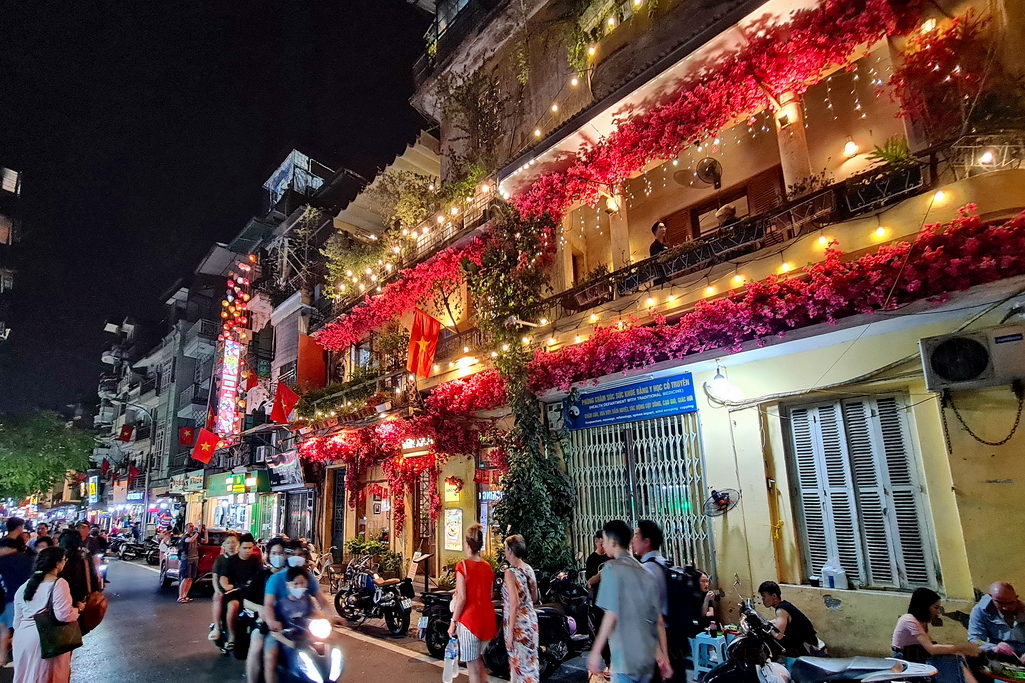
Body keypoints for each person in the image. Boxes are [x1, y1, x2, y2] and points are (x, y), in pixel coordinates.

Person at [588, 520, 671, 683]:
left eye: (604, 540)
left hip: (624, 660)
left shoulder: (611, 569)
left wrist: (596, 651)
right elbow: (657, 621)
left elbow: (611, 615)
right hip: (646, 660)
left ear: (612, 542)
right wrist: (664, 658)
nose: (603, 545)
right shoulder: (646, 572)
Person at [12, 547, 82, 683]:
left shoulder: (24, 587)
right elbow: (63, 615)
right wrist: (77, 610)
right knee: (46, 677)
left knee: (25, 677)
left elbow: (17, 621)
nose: (65, 563)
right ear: (57, 564)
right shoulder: (59, 584)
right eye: (64, 560)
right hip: (45, 641)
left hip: (22, 639)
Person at [893, 588, 980, 683]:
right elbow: (931, 649)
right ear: (924, 607)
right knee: (950, 660)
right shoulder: (909, 620)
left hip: (917, 654)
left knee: (957, 657)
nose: (938, 612)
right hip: (905, 658)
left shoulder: (922, 623)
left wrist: (959, 650)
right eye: (936, 607)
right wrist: (963, 647)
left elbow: (931, 646)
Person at [448, 524, 497, 683]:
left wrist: (453, 622)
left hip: (470, 622)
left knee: (473, 670)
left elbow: (461, 598)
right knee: (479, 663)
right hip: (488, 621)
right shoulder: (488, 567)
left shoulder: (462, 566)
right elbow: (489, 594)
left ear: (467, 544)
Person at [263, 566, 326, 683]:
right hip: (288, 642)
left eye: (302, 583)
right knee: (272, 658)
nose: (299, 587)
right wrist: (290, 643)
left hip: (306, 640)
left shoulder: (309, 601)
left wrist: (325, 619)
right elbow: (276, 632)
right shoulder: (281, 605)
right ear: (288, 585)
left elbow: (317, 614)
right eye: (295, 584)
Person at [246, 538, 288, 683]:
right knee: (257, 647)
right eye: (274, 553)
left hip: (291, 623)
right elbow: (246, 601)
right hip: (265, 624)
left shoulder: (294, 576)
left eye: (281, 553)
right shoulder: (262, 576)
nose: (278, 556)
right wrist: (260, 609)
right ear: (268, 555)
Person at [502, 535, 539, 683]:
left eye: (506, 548)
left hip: (517, 625)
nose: (505, 551)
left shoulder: (510, 573)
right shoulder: (528, 568)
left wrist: (510, 633)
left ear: (510, 550)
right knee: (530, 665)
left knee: (518, 667)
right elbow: (534, 596)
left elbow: (514, 603)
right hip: (530, 621)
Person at [758, 581, 819, 657]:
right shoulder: (785, 605)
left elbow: (779, 635)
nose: (762, 599)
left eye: (764, 596)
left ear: (774, 596)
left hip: (806, 646)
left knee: (771, 644)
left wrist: (769, 629)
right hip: (808, 641)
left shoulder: (781, 610)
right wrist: (768, 623)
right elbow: (779, 621)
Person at [222, 533, 262, 650]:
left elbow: (260, 576)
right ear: (238, 547)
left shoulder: (256, 560)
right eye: (245, 548)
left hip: (251, 593)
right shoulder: (230, 561)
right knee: (233, 605)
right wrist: (227, 586)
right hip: (235, 593)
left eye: (250, 548)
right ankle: (232, 637)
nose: (248, 551)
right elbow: (223, 578)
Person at [0, 537, 35, 667]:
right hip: (26, 599)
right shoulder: (30, 559)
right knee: (12, 629)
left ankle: (7, 657)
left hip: (10, 599)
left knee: (7, 629)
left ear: (8, 548)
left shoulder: (4, 560)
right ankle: (6, 656)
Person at [969, 582, 1025, 658]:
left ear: (1016, 598)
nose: (1006, 608)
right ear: (991, 597)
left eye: (1010, 603)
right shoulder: (980, 611)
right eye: (1000, 603)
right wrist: (993, 648)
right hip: (997, 656)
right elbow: (975, 640)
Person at [208, 532, 239, 643]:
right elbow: (215, 576)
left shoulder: (241, 558)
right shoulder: (220, 559)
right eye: (228, 543)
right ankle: (217, 628)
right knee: (218, 598)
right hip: (224, 589)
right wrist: (217, 590)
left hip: (237, 589)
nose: (231, 545)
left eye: (233, 542)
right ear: (224, 545)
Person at [56, 530, 100, 606]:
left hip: (59, 602)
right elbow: (94, 583)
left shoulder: (55, 561)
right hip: (81, 603)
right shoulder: (85, 561)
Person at [177, 523, 200, 603]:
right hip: (187, 559)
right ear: (186, 528)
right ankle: (180, 596)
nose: (192, 528)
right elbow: (190, 540)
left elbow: (205, 541)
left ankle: (185, 595)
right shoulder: (185, 537)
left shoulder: (195, 536)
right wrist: (198, 532)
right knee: (186, 577)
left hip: (195, 558)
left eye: (193, 526)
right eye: (190, 527)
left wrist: (205, 532)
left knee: (191, 578)